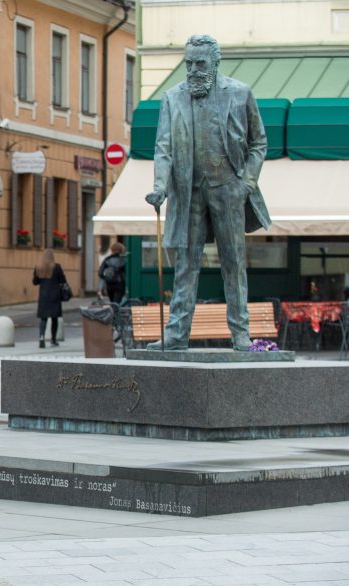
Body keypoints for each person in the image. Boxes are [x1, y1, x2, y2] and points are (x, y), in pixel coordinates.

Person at [145, 34, 271, 351]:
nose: (192, 70)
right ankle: (176, 333)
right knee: (186, 264)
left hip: (229, 188)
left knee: (234, 263)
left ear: (215, 63)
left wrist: (247, 183)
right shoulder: (172, 99)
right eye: (188, 63)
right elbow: (163, 150)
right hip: (188, 193)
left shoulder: (241, 94)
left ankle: (241, 333)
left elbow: (259, 143)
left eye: (200, 63)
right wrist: (160, 186)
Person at [32, 249, 67, 348]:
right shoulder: (57, 267)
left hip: (43, 296)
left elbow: (35, 282)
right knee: (54, 318)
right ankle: (53, 339)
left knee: (44, 319)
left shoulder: (39, 267)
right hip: (55, 295)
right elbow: (63, 280)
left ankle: (41, 337)